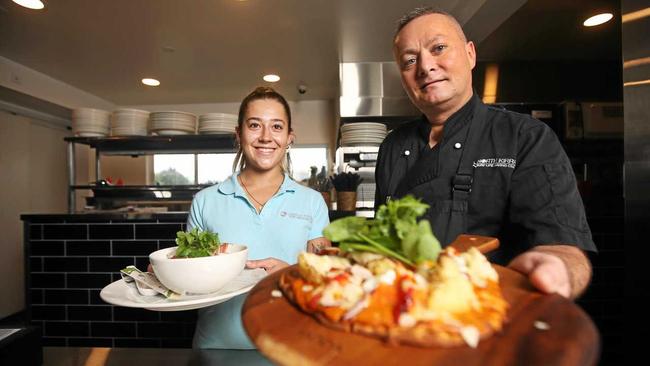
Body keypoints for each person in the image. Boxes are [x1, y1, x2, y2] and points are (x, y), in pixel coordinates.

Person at [375, 7, 596, 300]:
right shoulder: (391, 147)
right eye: (409, 60)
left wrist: (560, 268)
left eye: (439, 48)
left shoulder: (525, 137)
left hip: (491, 314)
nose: (425, 66)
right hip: (401, 314)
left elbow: (564, 247)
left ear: (470, 54)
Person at [189, 86, 331, 349]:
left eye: (277, 127)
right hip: (218, 349)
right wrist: (172, 274)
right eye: (255, 125)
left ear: (289, 137)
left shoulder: (312, 202)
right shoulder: (205, 201)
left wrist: (290, 274)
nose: (266, 137)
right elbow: (193, 275)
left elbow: (325, 278)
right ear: (239, 134)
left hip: (291, 348)